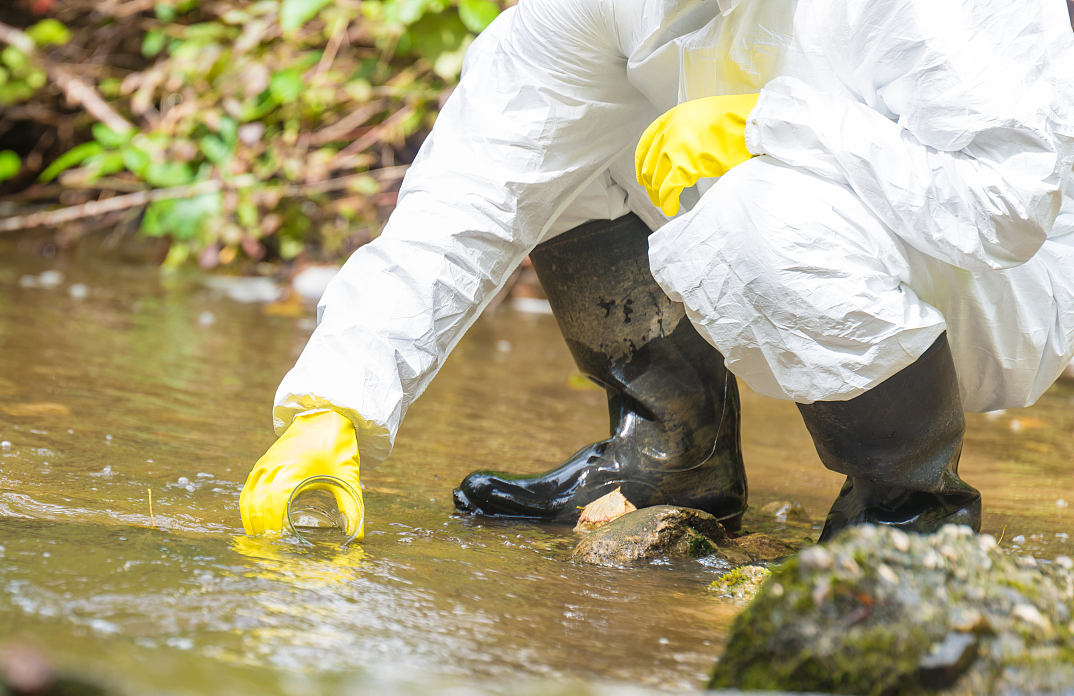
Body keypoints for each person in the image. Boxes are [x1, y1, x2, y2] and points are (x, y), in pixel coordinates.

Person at [238, 0, 1074, 545]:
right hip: (804, 217)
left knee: (757, 211)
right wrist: (337, 399)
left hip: (996, 285)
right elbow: (477, 183)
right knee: (549, 161)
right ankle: (674, 458)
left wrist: (773, 123)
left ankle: (907, 515)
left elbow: (1008, 204)